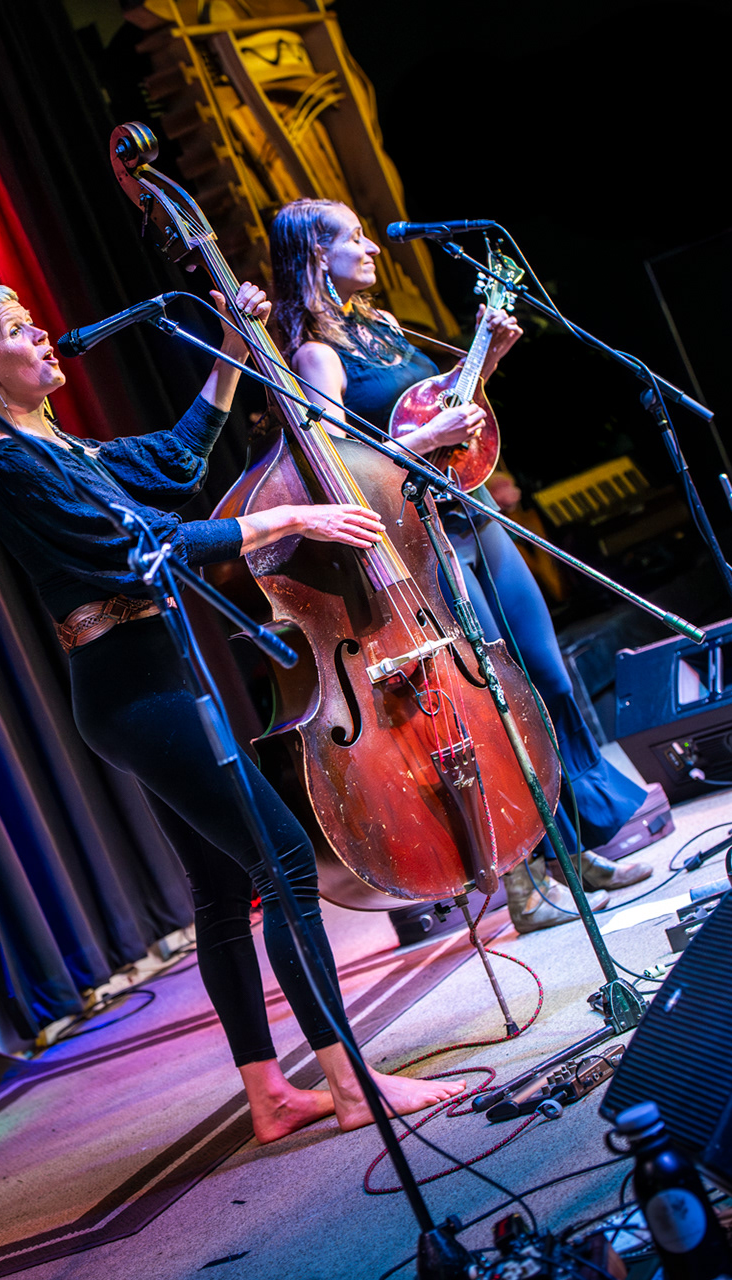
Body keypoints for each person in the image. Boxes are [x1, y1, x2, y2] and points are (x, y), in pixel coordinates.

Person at [0, 278, 468, 1144]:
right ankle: (351, 1085)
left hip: (147, 685)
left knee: (222, 889)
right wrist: (289, 517)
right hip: (135, 694)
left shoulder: (61, 449)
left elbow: (176, 463)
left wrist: (227, 353)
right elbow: (144, 545)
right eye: (20, 331)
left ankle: (270, 1096)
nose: (43, 336)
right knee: (285, 861)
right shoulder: (13, 465)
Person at [265, 198, 660, 932]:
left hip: (476, 514)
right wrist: (426, 440)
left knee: (545, 676)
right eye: (354, 237)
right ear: (316, 255)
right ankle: (526, 883)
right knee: (494, 695)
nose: (371, 247)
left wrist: (488, 360)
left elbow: (441, 409)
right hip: (424, 540)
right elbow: (336, 463)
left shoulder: (383, 328)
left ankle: (572, 851)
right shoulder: (317, 356)